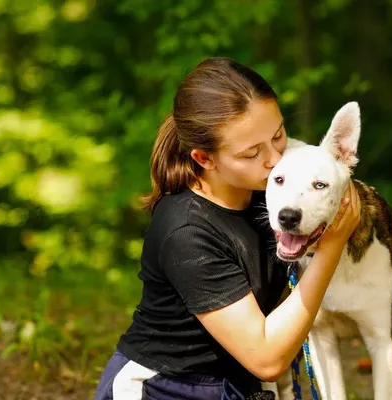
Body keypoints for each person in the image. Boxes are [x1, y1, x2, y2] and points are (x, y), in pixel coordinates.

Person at [94, 57, 361, 400]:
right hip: (166, 388)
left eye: (278, 135)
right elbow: (267, 359)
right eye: (252, 153)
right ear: (205, 159)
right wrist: (332, 247)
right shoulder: (187, 231)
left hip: (239, 385)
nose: (275, 158)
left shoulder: (272, 189)